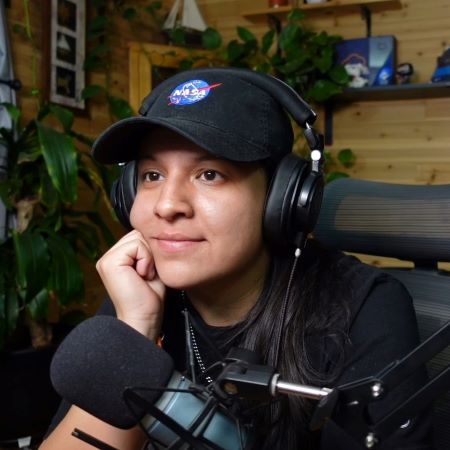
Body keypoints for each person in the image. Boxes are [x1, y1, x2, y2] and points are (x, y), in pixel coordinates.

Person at [40, 68, 434, 450]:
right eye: (152, 175)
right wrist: (137, 331)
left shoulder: (364, 307)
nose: (167, 205)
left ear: (284, 199)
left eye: (210, 174)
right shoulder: (138, 293)